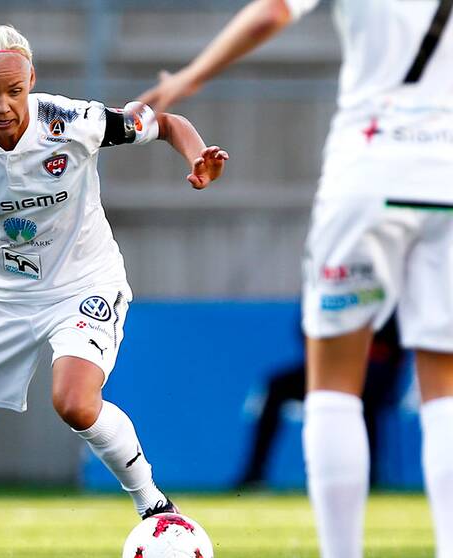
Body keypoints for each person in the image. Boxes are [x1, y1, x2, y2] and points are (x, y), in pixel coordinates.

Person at [0, 20, 229, 556]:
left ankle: (155, 506)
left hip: (84, 282)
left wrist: (197, 156)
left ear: (31, 79)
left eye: (14, 90)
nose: (3, 105)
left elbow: (166, 122)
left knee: (74, 401)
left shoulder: (73, 121)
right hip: (6, 295)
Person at [138, 1, 453, 557]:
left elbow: (273, 11)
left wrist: (190, 77)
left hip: (370, 168)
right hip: (446, 174)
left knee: (332, 381)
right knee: (445, 385)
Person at [240, 315, 404, 489]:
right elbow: (306, 329)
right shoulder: (323, 298)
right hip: (330, 365)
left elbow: (395, 341)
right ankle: (254, 474)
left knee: (364, 397)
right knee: (277, 387)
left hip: (371, 368)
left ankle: (370, 474)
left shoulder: (383, 302)